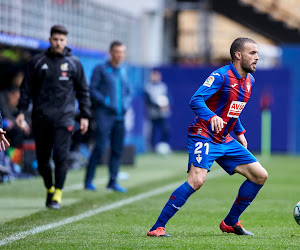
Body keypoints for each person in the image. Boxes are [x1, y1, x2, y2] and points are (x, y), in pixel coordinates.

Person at [147, 38, 268, 237]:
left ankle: (230, 222)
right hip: (203, 135)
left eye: (257, 53)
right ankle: (157, 227)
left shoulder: (249, 81)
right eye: (252, 53)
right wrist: (212, 117)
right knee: (196, 180)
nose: (257, 58)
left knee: (260, 175)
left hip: (224, 139)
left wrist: (239, 132)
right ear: (238, 55)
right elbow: (195, 100)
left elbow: (232, 110)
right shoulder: (220, 76)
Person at [16, 25, 91, 210]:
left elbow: (83, 91)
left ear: (66, 41)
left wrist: (84, 115)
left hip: (64, 117)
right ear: (50, 40)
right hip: (40, 116)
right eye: (55, 39)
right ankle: (49, 187)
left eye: (62, 40)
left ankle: (58, 192)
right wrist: (20, 112)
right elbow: (26, 89)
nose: (58, 43)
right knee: (42, 160)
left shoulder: (74, 63)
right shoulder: (37, 62)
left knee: (60, 156)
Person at [84, 41, 132, 193]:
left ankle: (112, 182)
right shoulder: (101, 69)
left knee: (117, 150)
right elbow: (92, 90)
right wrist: (105, 101)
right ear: (111, 52)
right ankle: (88, 181)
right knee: (100, 148)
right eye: (117, 52)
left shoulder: (123, 70)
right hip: (104, 116)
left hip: (120, 116)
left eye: (122, 52)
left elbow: (128, 92)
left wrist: (125, 104)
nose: (120, 55)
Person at [144, 70, 171, 153]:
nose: (155, 77)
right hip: (152, 113)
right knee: (152, 131)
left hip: (162, 114)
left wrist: (167, 105)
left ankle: (164, 146)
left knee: (166, 130)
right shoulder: (148, 87)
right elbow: (148, 100)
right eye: (153, 76)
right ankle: (151, 148)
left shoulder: (163, 86)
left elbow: (168, 97)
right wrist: (158, 106)